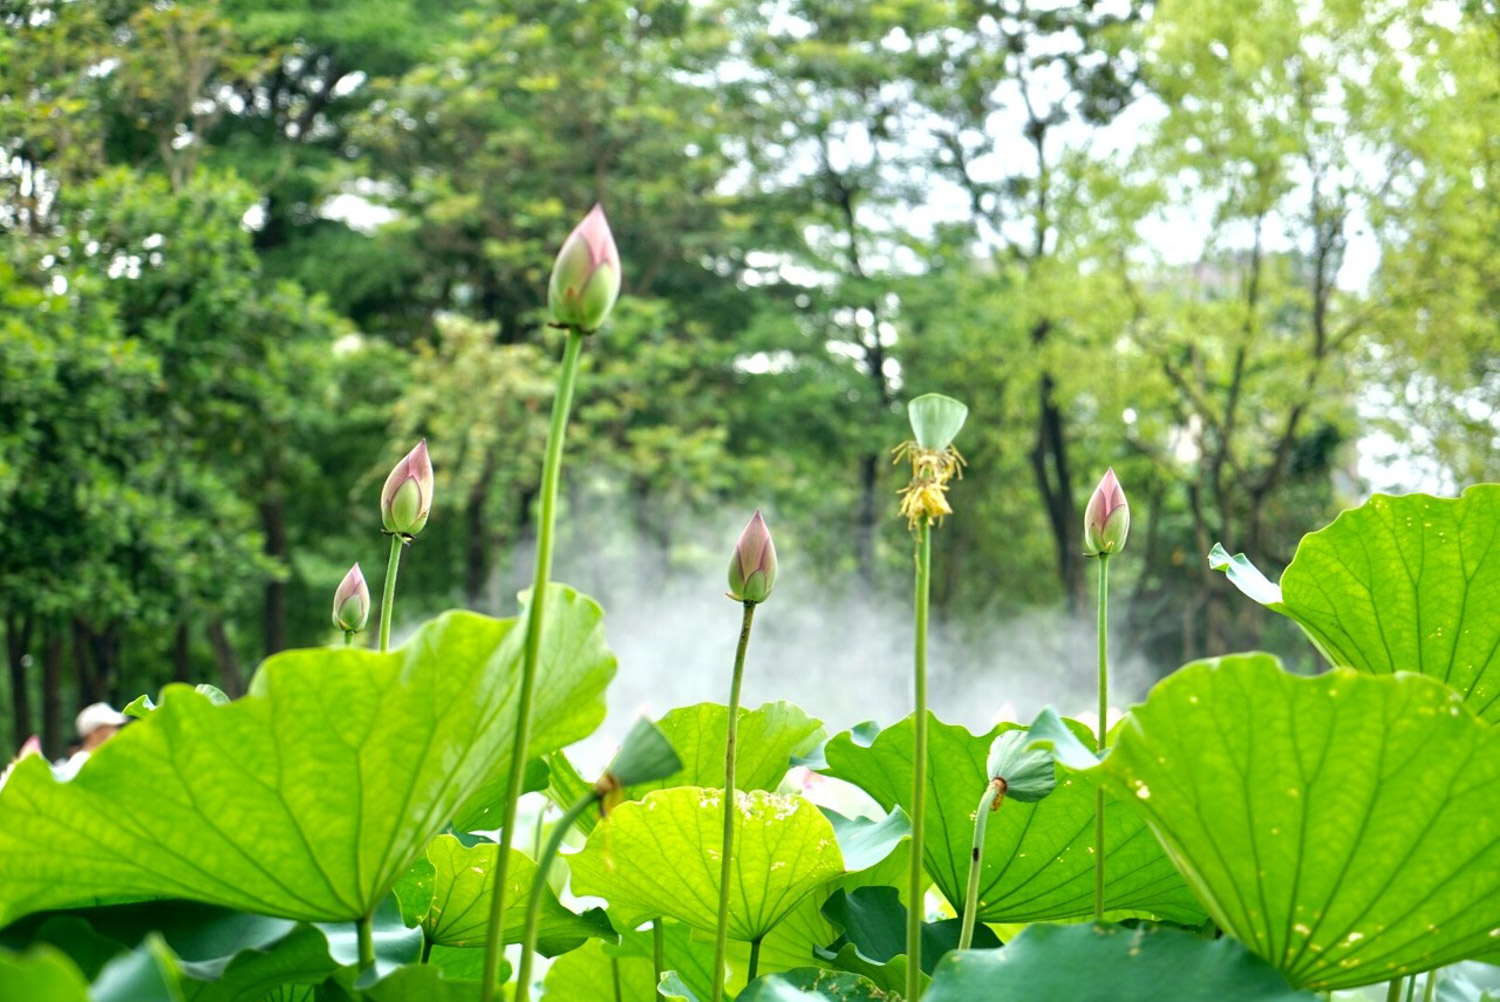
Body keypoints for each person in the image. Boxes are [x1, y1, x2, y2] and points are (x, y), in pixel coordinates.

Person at [52, 703, 128, 781]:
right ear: (93, 733)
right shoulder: (82, 762)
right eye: (110, 728)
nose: (115, 733)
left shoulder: (100, 761)